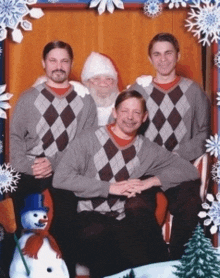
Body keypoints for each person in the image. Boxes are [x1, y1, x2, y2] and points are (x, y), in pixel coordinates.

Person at [53, 90, 199, 277]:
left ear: (144, 117)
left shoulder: (148, 149)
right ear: (114, 112)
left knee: (147, 253)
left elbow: (190, 170)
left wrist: (151, 181)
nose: (130, 117)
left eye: (136, 112)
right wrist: (109, 188)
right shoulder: (89, 139)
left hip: (122, 222)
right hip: (88, 217)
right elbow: (61, 178)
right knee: (106, 246)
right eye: (124, 111)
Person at [7, 41, 97, 278]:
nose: (59, 66)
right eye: (53, 61)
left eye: (64, 61)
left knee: (66, 220)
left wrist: (54, 163)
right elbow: (15, 137)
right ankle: (19, 269)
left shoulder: (85, 100)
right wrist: (28, 166)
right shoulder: (28, 98)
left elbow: (84, 144)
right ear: (44, 63)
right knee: (19, 220)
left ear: (71, 64)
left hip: (65, 170)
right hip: (31, 169)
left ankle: (63, 270)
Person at [128, 32, 211, 259]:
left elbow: (205, 135)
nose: (162, 59)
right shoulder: (139, 89)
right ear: (150, 58)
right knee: (134, 207)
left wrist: (175, 155)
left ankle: (176, 263)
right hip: (146, 170)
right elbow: (125, 130)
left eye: (168, 53)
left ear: (178, 56)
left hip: (179, 169)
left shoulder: (194, 92)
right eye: (157, 54)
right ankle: (157, 261)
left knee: (192, 204)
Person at [81, 51, 119, 126]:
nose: (102, 83)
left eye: (108, 79)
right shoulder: (80, 106)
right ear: (87, 82)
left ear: (114, 82)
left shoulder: (123, 105)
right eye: (96, 79)